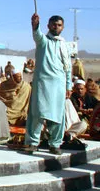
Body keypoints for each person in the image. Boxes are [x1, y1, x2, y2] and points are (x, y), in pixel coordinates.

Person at [24, 14, 72, 155]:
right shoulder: (43, 41)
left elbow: (68, 68)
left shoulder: (65, 45)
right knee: (37, 113)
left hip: (59, 85)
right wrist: (35, 25)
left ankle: (55, 144)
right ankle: (33, 143)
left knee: (57, 116)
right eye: (53, 24)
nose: (55, 27)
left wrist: (68, 85)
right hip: (42, 83)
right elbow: (37, 35)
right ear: (48, 26)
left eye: (59, 25)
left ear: (62, 27)